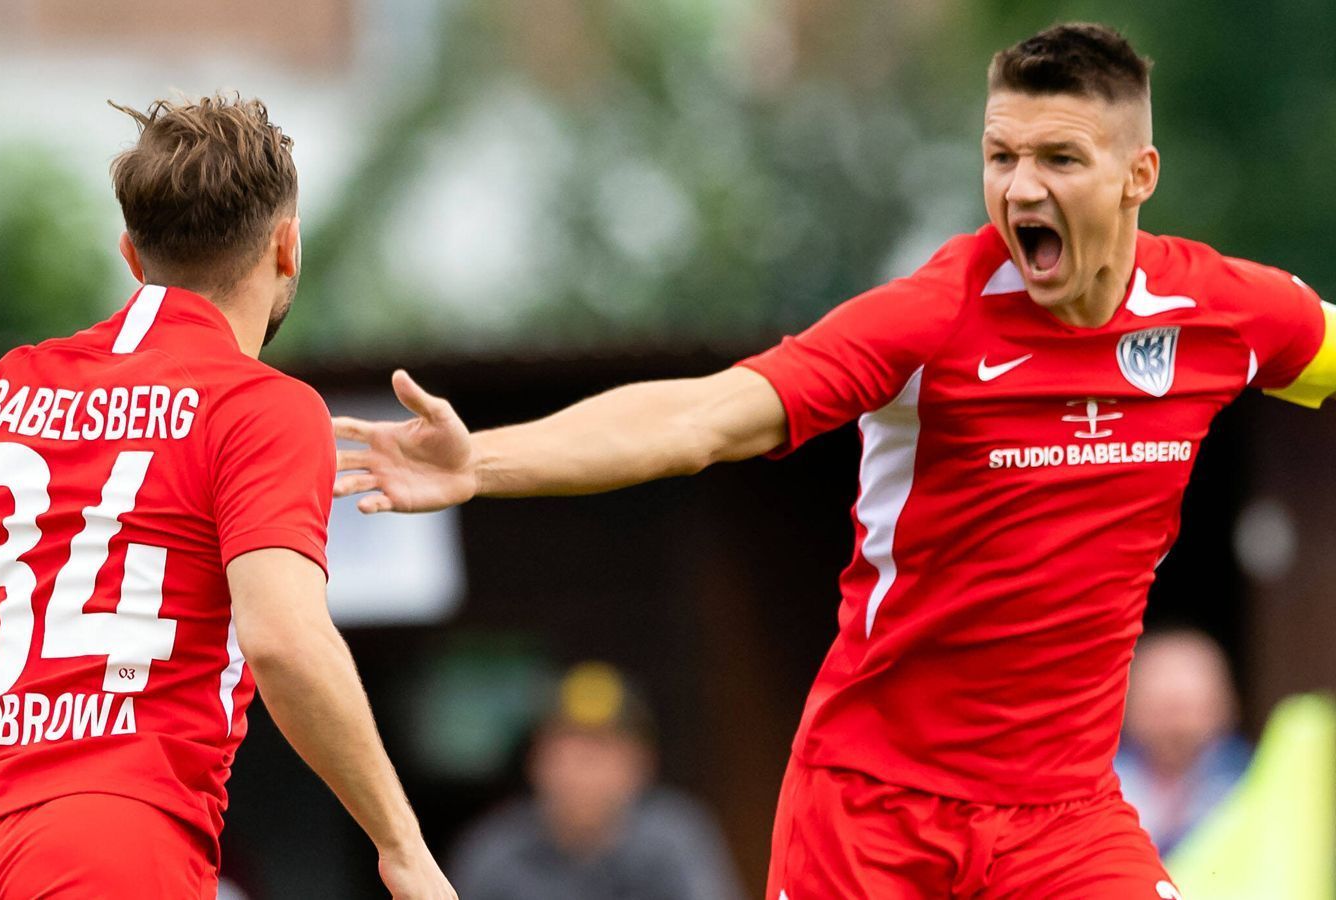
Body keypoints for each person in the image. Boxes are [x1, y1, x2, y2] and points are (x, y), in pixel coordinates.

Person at [331, 23, 1336, 899]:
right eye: (999, 156)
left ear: (1137, 176)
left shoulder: (1230, 315)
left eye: (1059, 159)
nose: (1020, 187)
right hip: (872, 813)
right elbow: (704, 417)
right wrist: (484, 462)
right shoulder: (931, 320)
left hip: (1061, 816)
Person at [0, 95, 454, 900]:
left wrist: (20, 534)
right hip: (121, 846)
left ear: (131, 255)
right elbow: (284, 639)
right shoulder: (262, 406)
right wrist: (402, 846)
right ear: (288, 247)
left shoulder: (5, 390)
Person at [450, 662, 742, 900]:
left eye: (601, 749)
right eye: (568, 749)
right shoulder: (495, 851)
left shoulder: (677, 839)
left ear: (641, 764)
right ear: (536, 760)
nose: (583, 770)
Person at [1115, 628, 1253, 856]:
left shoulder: (1255, 779)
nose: (1174, 726)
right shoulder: (1096, 785)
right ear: (1126, 707)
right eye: (1160, 708)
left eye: (1186, 707)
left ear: (1226, 706)